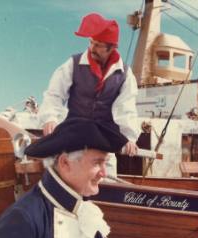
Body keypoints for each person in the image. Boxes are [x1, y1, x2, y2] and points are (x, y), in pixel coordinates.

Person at [38, 12, 140, 175]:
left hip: (103, 144)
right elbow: (54, 95)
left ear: (112, 48)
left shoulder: (125, 75)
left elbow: (126, 109)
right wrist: (50, 118)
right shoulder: (73, 64)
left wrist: (129, 138)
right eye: (91, 42)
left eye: (98, 45)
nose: (92, 48)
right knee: (69, 182)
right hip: (74, 142)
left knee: (105, 185)